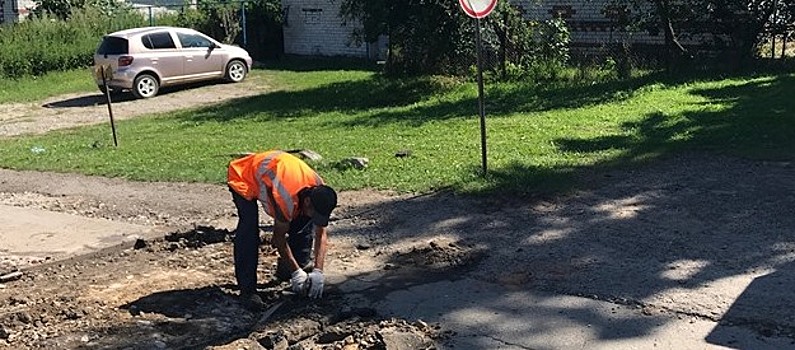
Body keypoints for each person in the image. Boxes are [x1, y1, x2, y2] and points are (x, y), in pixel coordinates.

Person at [227, 150, 338, 310]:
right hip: (243, 176)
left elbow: (321, 232)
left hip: (280, 173)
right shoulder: (284, 199)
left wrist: (318, 270)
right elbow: (278, 238)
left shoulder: (319, 190)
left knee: (304, 220)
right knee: (249, 230)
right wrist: (296, 272)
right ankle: (247, 291)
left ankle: (290, 267)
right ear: (307, 201)